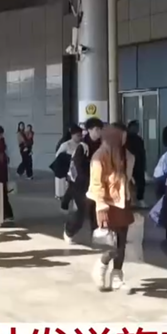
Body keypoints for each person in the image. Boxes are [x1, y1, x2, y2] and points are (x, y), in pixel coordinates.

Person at [89, 124, 135, 291]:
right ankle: (100, 267)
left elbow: (128, 179)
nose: (123, 140)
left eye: (125, 136)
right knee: (111, 244)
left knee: (121, 243)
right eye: (121, 136)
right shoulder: (100, 156)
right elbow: (96, 183)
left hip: (123, 202)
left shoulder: (127, 155)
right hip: (106, 204)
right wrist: (101, 206)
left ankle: (117, 275)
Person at [63, 118, 104, 243]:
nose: (99, 132)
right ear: (89, 130)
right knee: (82, 211)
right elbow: (78, 167)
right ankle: (69, 231)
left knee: (95, 210)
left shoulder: (102, 145)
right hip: (81, 186)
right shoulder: (83, 147)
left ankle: (96, 233)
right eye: (96, 129)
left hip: (95, 183)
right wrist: (88, 181)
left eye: (100, 129)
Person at [53, 125, 83, 200]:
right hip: (67, 167)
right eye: (78, 135)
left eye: (81, 135)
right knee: (65, 183)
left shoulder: (82, 145)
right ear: (72, 135)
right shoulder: (66, 144)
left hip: (78, 167)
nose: (80, 137)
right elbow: (58, 155)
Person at [126, 121, 147, 207]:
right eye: (135, 127)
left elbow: (142, 153)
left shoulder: (139, 139)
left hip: (138, 164)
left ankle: (139, 199)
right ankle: (131, 200)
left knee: (140, 183)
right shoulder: (126, 138)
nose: (137, 129)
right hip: (130, 164)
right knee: (129, 183)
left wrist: (144, 165)